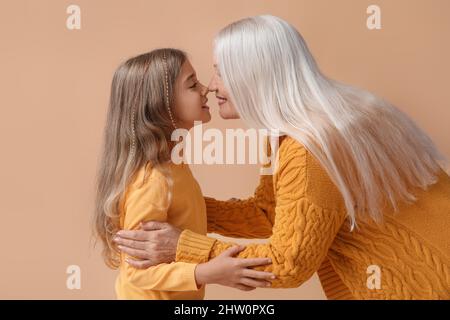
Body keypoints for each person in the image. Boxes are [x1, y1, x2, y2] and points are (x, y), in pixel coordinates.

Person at [114, 16, 450, 299]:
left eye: (220, 71)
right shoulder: (309, 124)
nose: (212, 86)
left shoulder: (307, 149)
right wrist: (186, 208)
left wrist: (186, 247)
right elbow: (271, 212)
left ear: (255, 75)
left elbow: (288, 263)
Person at [94, 48, 275, 300]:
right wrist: (205, 272)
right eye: (192, 85)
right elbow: (137, 273)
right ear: (161, 106)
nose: (206, 89)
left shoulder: (174, 166)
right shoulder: (154, 180)